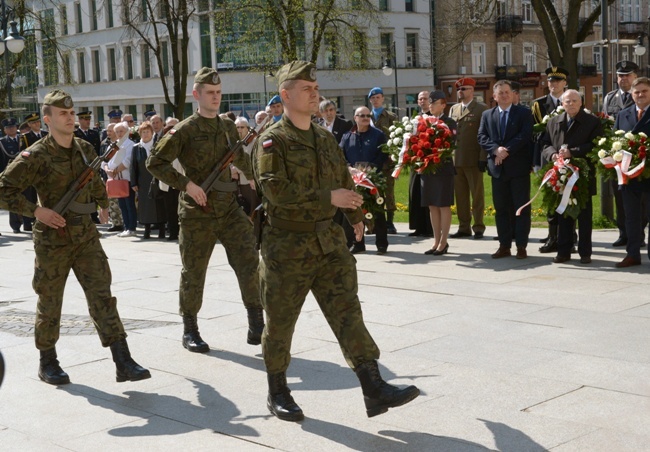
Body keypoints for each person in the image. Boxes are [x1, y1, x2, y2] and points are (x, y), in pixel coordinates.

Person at [252, 60, 419, 422]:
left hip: (328, 243)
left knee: (348, 312)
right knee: (280, 323)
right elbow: (275, 190)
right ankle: (277, 389)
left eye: (316, 88)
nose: (315, 94)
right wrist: (330, 198)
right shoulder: (272, 141)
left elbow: (341, 177)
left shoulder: (325, 138)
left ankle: (373, 386)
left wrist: (355, 216)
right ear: (285, 94)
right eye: (306, 89)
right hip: (287, 245)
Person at [0, 89, 150, 385]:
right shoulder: (36, 154)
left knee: (102, 295)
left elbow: (94, 180)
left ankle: (123, 360)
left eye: (72, 113)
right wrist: (35, 211)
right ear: (48, 119)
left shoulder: (84, 148)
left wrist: (103, 204)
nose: (69, 118)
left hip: (85, 234)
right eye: (63, 114)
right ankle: (48, 362)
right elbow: (3, 189)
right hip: (52, 237)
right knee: (50, 299)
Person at [146, 67, 264, 352]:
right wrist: (186, 184)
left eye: (219, 92)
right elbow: (155, 163)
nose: (215, 97)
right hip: (197, 209)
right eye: (210, 93)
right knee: (194, 271)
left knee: (249, 261)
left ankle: (257, 322)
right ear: (196, 95)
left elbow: (240, 158)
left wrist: (258, 183)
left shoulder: (226, 126)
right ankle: (190, 329)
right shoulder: (184, 129)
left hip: (228, 207)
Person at [541, 89, 602, 264]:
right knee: (563, 215)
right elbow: (545, 143)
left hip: (582, 176)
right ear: (562, 104)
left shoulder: (592, 122)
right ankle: (563, 251)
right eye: (567, 101)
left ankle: (585, 253)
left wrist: (572, 153)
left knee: (584, 216)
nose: (571, 104)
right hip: (560, 176)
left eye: (575, 101)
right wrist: (552, 154)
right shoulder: (554, 122)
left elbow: (595, 145)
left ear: (581, 102)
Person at [478, 80, 534, 259]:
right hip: (498, 170)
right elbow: (481, 136)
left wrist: (506, 150)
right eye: (500, 93)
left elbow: (525, 135)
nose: (504, 95)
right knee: (501, 209)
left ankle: (521, 245)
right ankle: (504, 245)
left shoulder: (524, 113)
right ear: (494, 97)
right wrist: (496, 150)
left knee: (521, 209)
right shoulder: (487, 114)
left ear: (513, 94)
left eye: (507, 92)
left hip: (518, 169)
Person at [339, 106, 389, 254]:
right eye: (362, 115)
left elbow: (383, 154)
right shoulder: (347, 136)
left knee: (378, 212)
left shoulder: (378, 135)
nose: (366, 118)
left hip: (372, 180)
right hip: (353, 180)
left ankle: (381, 244)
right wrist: (349, 168)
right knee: (354, 211)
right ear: (355, 118)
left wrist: (370, 170)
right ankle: (358, 243)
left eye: (368, 115)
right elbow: (340, 156)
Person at [612, 77, 650, 268]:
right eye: (637, 92)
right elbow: (614, 141)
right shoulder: (623, 114)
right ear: (632, 95)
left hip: (649, 173)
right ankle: (633, 254)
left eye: (644, 91)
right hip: (628, 175)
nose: (640, 95)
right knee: (631, 216)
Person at [603, 61, 641, 248]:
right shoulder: (609, 98)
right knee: (620, 194)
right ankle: (624, 233)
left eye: (627, 75)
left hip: (640, 155)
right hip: (618, 157)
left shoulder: (641, 96)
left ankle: (638, 233)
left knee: (640, 198)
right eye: (620, 75)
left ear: (635, 76)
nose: (623, 79)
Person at [533, 67, 569, 253]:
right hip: (547, 156)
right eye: (550, 81)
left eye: (557, 81)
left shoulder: (572, 100)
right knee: (550, 196)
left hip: (568, 157)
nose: (553, 84)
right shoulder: (539, 104)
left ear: (564, 83)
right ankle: (552, 235)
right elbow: (536, 134)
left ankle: (569, 234)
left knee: (569, 195)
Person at [448, 77, 488, 239]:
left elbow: (484, 135)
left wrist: (483, 157)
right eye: (459, 89)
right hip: (456, 160)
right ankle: (463, 227)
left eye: (464, 89)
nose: (460, 92)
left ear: (472, 91)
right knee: (461, 196)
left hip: (473, 159)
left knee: (477, 195)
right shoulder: (454, 109)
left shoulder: (481, 109)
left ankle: (478, 226)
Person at [422, 91, 457, 256]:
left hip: (443, 168)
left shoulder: (449, 122)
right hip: (428, 168)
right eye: (430, 102)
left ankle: (444, 241)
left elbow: (451, 144)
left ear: (443, 105)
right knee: (432, 205)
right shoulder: (424, 121)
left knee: (443, 204)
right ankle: (436, 241)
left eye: (434, 103)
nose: (431, 105)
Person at [368, 86, 399, 234]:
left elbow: (397, 138)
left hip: (387, 161)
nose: (375, 100)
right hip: (371, 161)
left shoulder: (391, 117)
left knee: (388, 191)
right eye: (372, 98)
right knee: (372, 191)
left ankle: (390, 222)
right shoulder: (366, 117)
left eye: (378, 97)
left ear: (383, 99)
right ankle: (373, 222)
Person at [130, 121, 166, 239]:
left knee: (159, 204)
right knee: (145, 206)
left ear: (152, 133)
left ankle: (161, 230)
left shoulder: (158, 144)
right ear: (140, 134)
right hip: (143, 180)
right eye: (143, 132)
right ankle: (147, 230)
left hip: (157, 179)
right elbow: (133, 166)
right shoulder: (136, 148)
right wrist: (134, 182)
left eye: (147, 132)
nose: (145, 134)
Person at [104, 122, 137, 237]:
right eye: (117, 131)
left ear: (127, 131)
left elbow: (127, 161)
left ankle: (131, 228)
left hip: (126, 178)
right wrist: (108, 170)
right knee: (122, 205)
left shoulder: (130, 144)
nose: (119, 134)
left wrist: (115, 171)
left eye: (121, 131)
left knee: (129, 204)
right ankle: (126, 227)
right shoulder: (113, 145)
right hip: (115, 179)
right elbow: (104, 161)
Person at [408, 91, 433, 237]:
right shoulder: (415, 118)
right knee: (415, 191)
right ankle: (418, 226)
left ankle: (430, 227)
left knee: (427, 192)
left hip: (429, 160)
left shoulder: (434, 118)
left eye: (425, 99)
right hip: (414, 160)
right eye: (420, 99)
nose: (422, 101)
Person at [74, 110, 103, 224]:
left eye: (89, 119)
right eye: (85, 119)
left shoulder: (94, 133)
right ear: (80, 120)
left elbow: (97, 150)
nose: (87, 121)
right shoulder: (75, 134)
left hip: (93, 165)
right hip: (81, 167)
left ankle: (94, 214)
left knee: (93, 191)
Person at [231, 116, 260, 215]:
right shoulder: (234, 142)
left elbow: (253, 161)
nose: (239, 130)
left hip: (250, 182)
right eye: (237, 127)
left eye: (242, 127)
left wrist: (237, 170)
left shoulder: (254, 142)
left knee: (252, 210)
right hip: (237, 183)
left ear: (247, 128)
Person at [99, 124, 124, 232]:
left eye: (111, 131)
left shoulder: (123, 144)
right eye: (107, 131)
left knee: (122, 201)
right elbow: (102, 160)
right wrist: (106, 169)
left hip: (121, 177)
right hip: (108, 177)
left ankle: (125, 222)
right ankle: (116, 223)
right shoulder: (105, 144)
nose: (108, 133)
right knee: (112, 202)